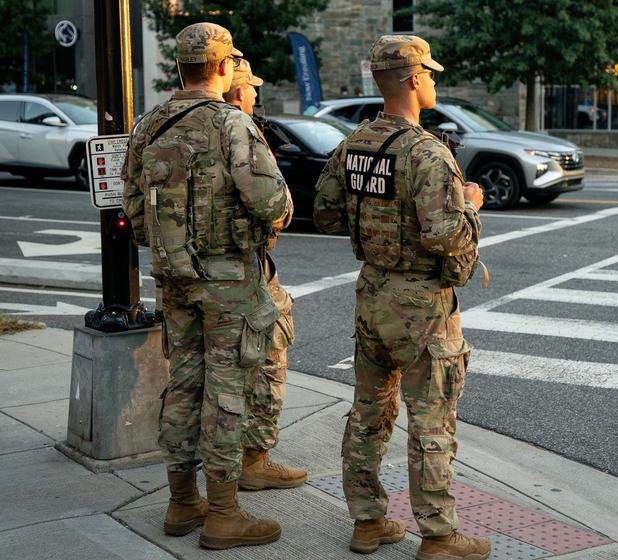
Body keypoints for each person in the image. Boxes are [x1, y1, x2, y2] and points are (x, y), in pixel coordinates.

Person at [313, 35, 489, 560]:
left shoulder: (354, 144)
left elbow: (324, 214)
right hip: (421, 305)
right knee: (430, 419)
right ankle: (438, 535)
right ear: (413, 79)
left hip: (372, 294)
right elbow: (444, 236)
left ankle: (368, 523)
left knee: (368, 412)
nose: (434, 81)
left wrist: (374, 226)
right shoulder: (427, 153)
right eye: (430, 74)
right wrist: (472, 206)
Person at [121, 22, 291, 550]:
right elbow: (274, 204)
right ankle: (223, 513)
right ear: (222, 68)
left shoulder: (147, 125)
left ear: (179, 67)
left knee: (183, 384)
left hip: (173, 280)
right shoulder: (232, 124)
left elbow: (130, 208)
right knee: (225, 392)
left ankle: (180, 502)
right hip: (229, 283)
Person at [222, 58, 308, 491]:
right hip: (242, 273)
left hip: (184, 275)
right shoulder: (240, 132)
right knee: (268, 357)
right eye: (252, 88)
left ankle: (185, 496)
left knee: (196, 377)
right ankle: (254, 460)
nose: (256, 95)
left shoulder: (161, 125)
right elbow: (276, 209)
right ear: (238, 92)